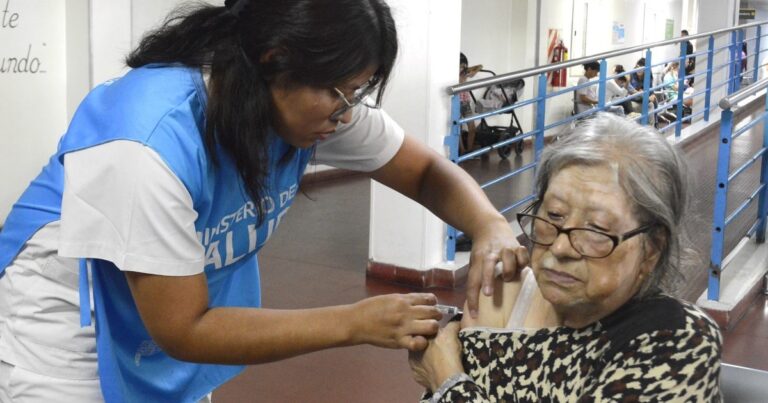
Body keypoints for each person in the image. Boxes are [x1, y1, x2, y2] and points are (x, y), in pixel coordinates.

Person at [0, 1, 527, 401]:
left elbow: (426, 172)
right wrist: (355, 323)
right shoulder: (146, 144)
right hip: (67, 327)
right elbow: (186, 328)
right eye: (344, 94)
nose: (350, 114)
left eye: (361, 93)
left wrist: (488, 225)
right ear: (276, 60)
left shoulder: (309, 106)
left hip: (163, 321)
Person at [409, 113, 723, 401]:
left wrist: (447, 377)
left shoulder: (678, 339)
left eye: (596, 229)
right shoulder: (504, 293)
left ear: (652, 248)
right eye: (555, 215)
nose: (560, 249)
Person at [458, 52, 481, 155]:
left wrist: (471, 70)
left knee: (472, 127)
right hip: (456, 103)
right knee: (457, 129)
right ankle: (462, 150)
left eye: (464, 65)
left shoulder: (465, 72)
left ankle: (469, 151)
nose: (462, 67)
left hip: (465, 102)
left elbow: (480, 66)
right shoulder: (452, 73)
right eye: (461, 65)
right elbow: (460, 80)